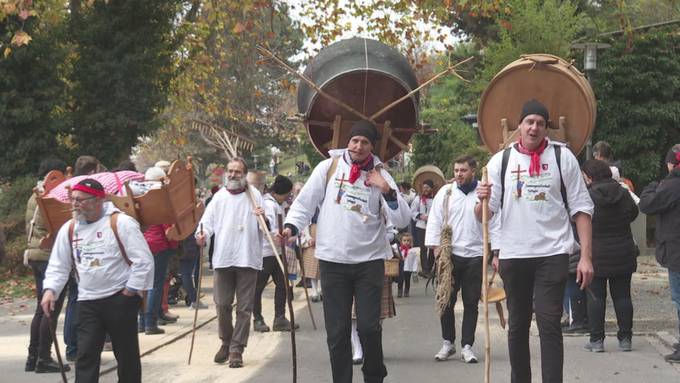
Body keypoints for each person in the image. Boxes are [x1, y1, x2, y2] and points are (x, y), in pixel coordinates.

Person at [281, 120, 411, 383]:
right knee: (337, 332)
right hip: (333, 261)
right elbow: (305, 202)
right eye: (354, 141)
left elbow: (401, 220)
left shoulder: (381, 174)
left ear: (372, 146)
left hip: (369, 263)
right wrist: (290, 226)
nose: (358, 146)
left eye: (364, 142)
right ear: (347, 143)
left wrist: (386, 190)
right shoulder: (328, 168)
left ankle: (374, 376)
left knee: (368, 327)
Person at [475, 99, 594, 383]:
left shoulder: (562, 158)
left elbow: (581, 208)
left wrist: (587, 257)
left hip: (552, 252)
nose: (534, 127)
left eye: (540, 123)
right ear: (519, 126)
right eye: (529, 122)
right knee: (517, 324)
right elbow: (484, 216)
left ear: (546, 128)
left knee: (549, 321)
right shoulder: (500, 161)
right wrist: (481, 199)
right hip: (514, 254)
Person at [40, 179, 154, 382]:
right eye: (72, 199)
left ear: (98, 200)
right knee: (85, 356)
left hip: (120, 299)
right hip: (87, 301)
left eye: (80, 200)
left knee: (127, 357)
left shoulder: (121, 223)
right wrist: (51, 290)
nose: (74, 204)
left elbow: (143, 261)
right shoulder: (69, 229)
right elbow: (59, 265)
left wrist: (130, 290)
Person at [195, 157, 265, 368]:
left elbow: (266, 226)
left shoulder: (255, 196)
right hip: (224, 258)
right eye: (230, 171)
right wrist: (201, 235)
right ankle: (226, 342)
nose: (233, 175)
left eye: (238, 172)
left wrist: (263, 218)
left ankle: (236, 349)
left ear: (244, 175)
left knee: (244, 308)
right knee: (222, 304)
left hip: (247, 257)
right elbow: (206, 224)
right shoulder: (218, 198)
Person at [426, 155, 483, 364]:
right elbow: (435, 220)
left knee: (471, 303)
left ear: (473, 171)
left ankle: (467, 346)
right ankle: (447, 342)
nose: (459, 174)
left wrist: (495, 252)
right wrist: (435, 247)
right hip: (450, 255)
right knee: (446, 301)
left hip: (475, 255)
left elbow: (494, 220)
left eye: (463, 170)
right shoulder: (446, 192)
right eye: (456, 170)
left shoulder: (483, 192)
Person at [580, 159, 638, 352]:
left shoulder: (588, 196)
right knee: (622, 296)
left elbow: (580, 221)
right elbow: (633, 213)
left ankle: (597, 341)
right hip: (623, 250)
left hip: (597, 253)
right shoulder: (622, 192)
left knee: (596, 297)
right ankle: (625, 339)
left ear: (589, 176)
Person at [25, 158, 72, 373]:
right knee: (50, 307)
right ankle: (44, 357)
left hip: (34, 254)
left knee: (40, 308)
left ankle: (33, 356)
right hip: (48, 256)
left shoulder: (35, 194)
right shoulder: (51, 196)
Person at [639, 144, 680, 363]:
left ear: (671, 164)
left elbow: (647, 204)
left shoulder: (672, 185)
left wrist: (652, 186)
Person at [253, 175, 298, 332]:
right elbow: (267, 228)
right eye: (286, 194)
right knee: (258, 288)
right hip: (266, 252)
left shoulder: (281, 204)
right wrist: (276, 235)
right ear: (280, 192)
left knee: (282, 285)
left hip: (279, 251)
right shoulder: (267, 204)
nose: (288, 197)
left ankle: (280, 318)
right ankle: (257, 319)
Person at [411, 179, 435, 277]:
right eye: (424, 187)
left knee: (432, 248)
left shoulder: (436, 199)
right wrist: (420, 216)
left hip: (433, 226)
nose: (425, 189)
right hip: (421, 226)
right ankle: (425, 270)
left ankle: (430, 268)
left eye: (427, 187)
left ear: (431, 189)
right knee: (423, 248)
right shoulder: (418, 199)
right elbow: (412, 211)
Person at [393, 232, 418, 298]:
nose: (406, 242)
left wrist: (414, 270)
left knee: (407, 280)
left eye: (408, 240)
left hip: (408, 268)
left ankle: (406, 291)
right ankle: (399, 291)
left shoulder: (413, 251)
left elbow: (415, 261)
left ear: (411, 241)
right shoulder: (399, 249)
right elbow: (393, 247)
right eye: (404, 240)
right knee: (400, 280)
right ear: (401, 241)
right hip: (401, 268)